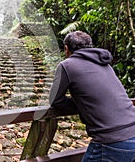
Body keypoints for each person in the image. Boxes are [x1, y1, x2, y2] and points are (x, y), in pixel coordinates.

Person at [49, 31, 135, 162]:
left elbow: (55, 99)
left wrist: (81, 104)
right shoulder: (105, 64)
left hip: (111, 140)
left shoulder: (67, 65)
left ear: (66, 49)